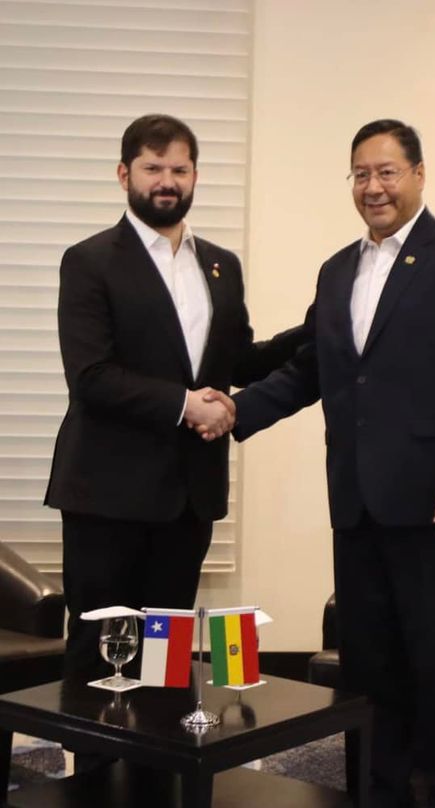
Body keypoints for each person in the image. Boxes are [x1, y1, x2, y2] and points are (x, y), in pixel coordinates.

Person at [214, 120, 435, 808]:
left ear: (418, 175)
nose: (373, 186)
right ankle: (377, 790)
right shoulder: (337, 270)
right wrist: (235, 412)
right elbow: (310, 370)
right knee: (370, 665)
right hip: (354, 499)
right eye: (360, 174)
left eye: (386, 172)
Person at [45, 114, 303, 680]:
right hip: (106, 495)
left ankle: (159, 742)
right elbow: (91, 376)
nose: (167, 181)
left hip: (189, 497)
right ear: (124, 174)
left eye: (180, 170)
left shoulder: (221, 265)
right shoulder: (89, 261)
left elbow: (236, 361)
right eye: (153, 168)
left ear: (195, 176)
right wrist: (187, 405)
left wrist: (314, 329)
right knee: (100, 652)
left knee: (166, 654)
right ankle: (93, 743)